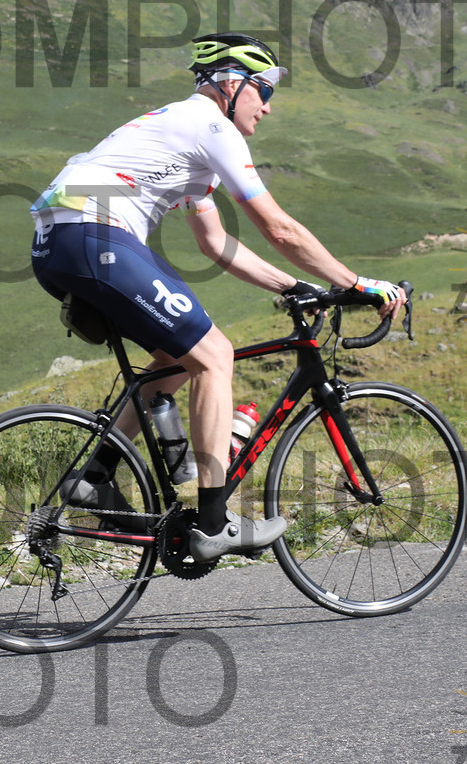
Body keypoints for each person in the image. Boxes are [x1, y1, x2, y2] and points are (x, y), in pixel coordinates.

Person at [28, 33, 406, 561]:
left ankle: (94, 479)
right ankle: (212, 524)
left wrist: (293, 286)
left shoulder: (181, 132)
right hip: (94, 234)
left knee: (175, 358)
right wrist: (356, 283)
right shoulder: (211, 126)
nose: (267, 107)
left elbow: (215, 243)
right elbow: (279, 228)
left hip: (57, 244)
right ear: (232, 84)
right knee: (214, 356)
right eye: (264, 91)